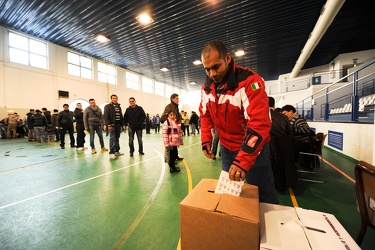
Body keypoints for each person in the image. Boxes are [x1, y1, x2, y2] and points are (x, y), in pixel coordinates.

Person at [199, 40, 278, 204]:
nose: (212, 74)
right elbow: (205, 115)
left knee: (263, 194)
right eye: (207, 69)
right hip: (226, 149)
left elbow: (259, 123)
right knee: (230, 194)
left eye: (216, 67)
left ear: (228, 58)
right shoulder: (206, 88)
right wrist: (206, 138)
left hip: (253, 151)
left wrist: (243, 161)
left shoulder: (250, 82)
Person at [268, 97, 295, 192]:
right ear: (274, 106)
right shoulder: (283, 117)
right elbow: (289, 134)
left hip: (265, 147)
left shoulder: (258, 116)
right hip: (282, 148)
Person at [281, 104, 314, 169]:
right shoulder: (292, 119)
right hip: (299, 143)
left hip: (303, 144)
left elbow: (306, 129)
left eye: (285, 113)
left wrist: (290, 131)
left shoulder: (298, 119)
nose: (284, 115)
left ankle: (289, 167)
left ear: (291, 111)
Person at [161, 93, 184, 161]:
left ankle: (176, 156)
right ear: (172, 99)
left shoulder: (176, 106)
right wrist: (169, 123)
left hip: (176, 127)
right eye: (176, 98)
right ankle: (171, 160)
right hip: (171, 129)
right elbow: (163, 117)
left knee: (175, 143)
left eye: (178, 98)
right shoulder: (169, 106)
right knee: (172, 146)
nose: (178, 100)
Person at [104, 94, 124, 160]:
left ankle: (117, 151)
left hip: (118, 125)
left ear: (117, 99)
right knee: (112, 138)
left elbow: (121, 116)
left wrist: (122, 125)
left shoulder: (119, 106)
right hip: (112, 125)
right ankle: (112, 153)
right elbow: (106, 116)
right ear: (111, 99)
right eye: (113, 98)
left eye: (116, 98)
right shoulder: (107, 106)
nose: (115, 99)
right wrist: (109, 125)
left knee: (117, 138)